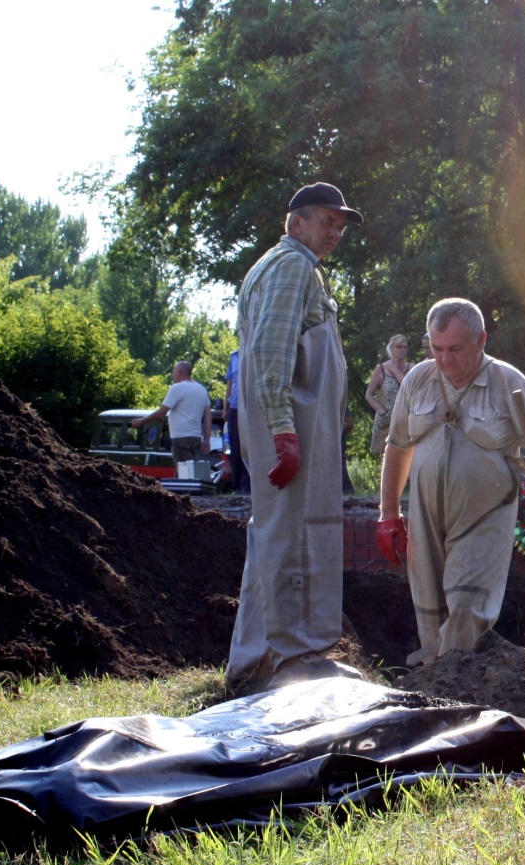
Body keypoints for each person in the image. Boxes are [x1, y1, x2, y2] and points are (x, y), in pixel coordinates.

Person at [226, 181, 364, 697]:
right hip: (292, 425)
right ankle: (297, 658)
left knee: (273, 533)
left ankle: (255, 659)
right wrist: (284, 430)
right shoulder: (293, 266)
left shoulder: (273, 265)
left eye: (340, 225)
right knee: (300, 532)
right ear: (296, 222)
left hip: (285, 422)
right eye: (326, 221)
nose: (335, 232)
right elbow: (271, 351)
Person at [375, 298, 525, 665]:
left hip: (485, 518)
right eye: (437, 348)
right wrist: (388, 514)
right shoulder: (417, 380)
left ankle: (456, 685)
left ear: (481, 340)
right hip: (426, 517)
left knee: (466, 608)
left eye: (455, 349)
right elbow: (397, 447)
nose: (445, 359)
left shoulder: (509, 382)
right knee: (429, 613)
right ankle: (435, 683)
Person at [132, 360, 211, 468]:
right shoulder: (202, 390)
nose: (172, 375)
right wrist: (207, 439)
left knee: (183, 472)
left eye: (173, 372)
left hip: (181, 438)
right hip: (196, 439)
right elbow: (208, 417)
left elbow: (161, 414)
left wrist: (141, 421)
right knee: (191, 472)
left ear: (179, 372)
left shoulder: (177, 388)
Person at [366, 334, 412, 455]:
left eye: (405, 347)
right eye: (399, 347)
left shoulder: (411, 368)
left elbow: (408, 387)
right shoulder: (381, 368)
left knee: (404, 457)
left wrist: (394, 370)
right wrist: (381, 411)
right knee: (383, 458)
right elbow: (369, 395)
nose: (403, 350)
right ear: (391, 348)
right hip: (384, 422)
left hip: (405, 422)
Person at [225, 350, 250, 492]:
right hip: (234, 407)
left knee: (250, 447)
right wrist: (225, 408)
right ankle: (237, 488)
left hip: (251, 407)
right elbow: (230, 383)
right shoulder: (234, 356)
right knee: (235, 448)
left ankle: (248, 488)